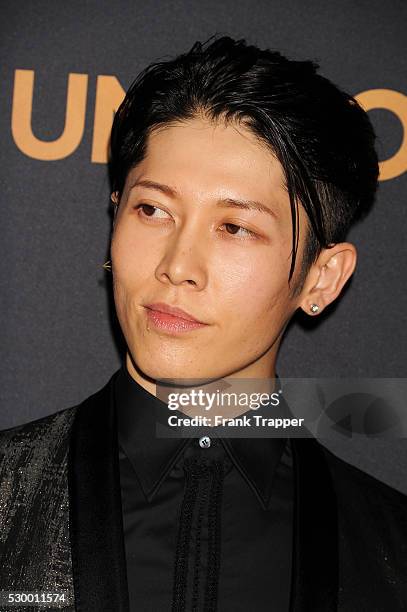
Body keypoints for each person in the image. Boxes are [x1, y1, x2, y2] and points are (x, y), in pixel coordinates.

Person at [1, 34, 406, 612]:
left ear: (322, 278)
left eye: (235, 228)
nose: (177, 267)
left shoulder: (390, 551)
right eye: (152, 211)